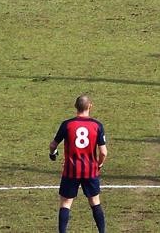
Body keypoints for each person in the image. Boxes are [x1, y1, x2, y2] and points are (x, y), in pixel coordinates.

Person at [49, 94, 108, 233]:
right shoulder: (97, 125)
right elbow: (104, 152)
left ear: (76, 107)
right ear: (90, 106)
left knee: (66, 203)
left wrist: (53, 153)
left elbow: (53, 145)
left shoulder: (67, 124)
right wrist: (99, 164)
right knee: (95, 202)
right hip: (90, 170)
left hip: (71, 170)